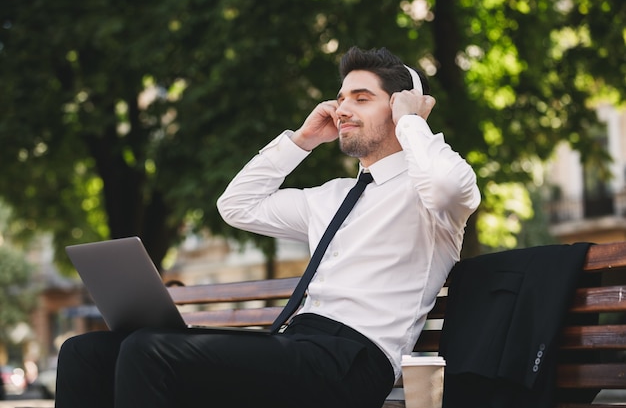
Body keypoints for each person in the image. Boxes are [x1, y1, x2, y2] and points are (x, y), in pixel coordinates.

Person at [55, 46, 480, 408]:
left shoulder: (431, 198)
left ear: (400, 105)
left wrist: (412, 123)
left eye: (362, 98)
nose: (343, 108)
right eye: (341, 97)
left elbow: (446, 187)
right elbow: (236, 206)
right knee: (86, 352)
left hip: (354, 361)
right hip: (295, 346)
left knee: (150, 351)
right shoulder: (329, 197)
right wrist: (302, 140)